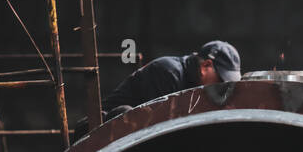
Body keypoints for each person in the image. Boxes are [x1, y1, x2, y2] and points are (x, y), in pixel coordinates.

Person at [90, 40, 242, 129]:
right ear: (206, 66)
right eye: (222, 80)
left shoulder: (193, 85)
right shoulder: (168, 73)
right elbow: (159, 128)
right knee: (125, 112)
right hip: (103, 132)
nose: (223, 87)